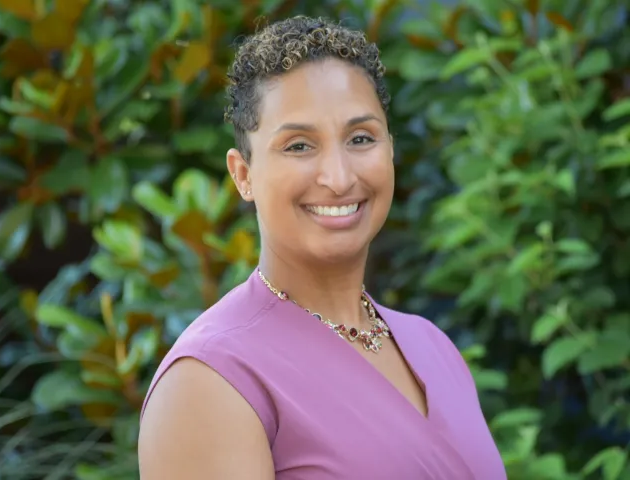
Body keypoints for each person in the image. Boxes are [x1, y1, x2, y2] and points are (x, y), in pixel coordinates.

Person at [138, 15, 507, 480]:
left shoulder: (434, 348)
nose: (338, 177)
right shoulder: (210, 380)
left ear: (389, 149)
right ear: (243, 175)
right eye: (298, 146)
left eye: (360, 138)